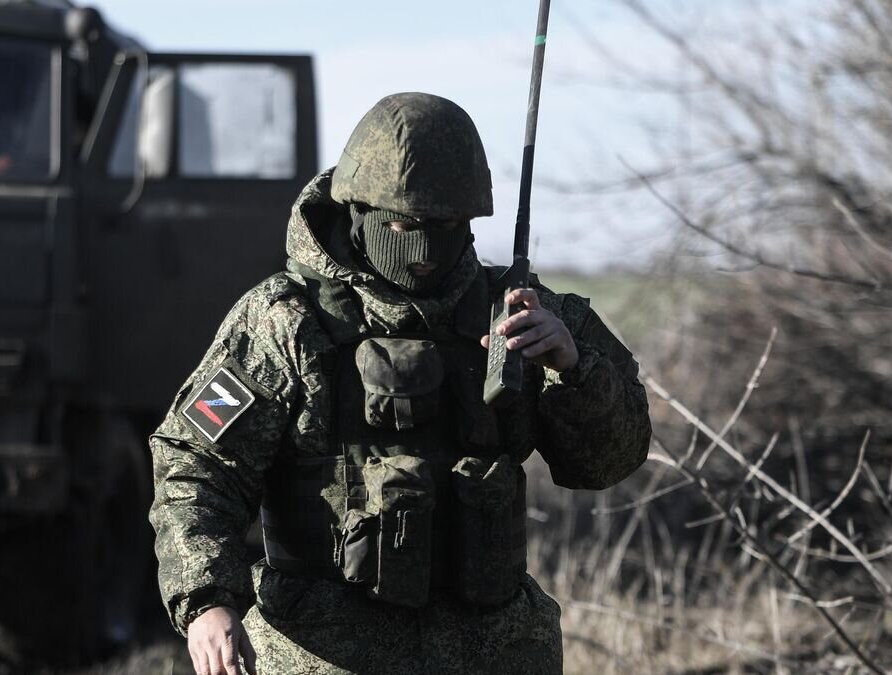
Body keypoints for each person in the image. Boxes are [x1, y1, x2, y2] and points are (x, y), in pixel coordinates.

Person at [149, 92, 652, 675]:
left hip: (494, 650)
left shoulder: (525, 314)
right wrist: (207, 601)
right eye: (406, 226)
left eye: (446, 227)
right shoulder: (284, 321)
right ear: (359, 211)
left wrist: (574, 370)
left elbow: (609, 463)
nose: (424, 250)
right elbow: (195, 464)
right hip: (321, 651)